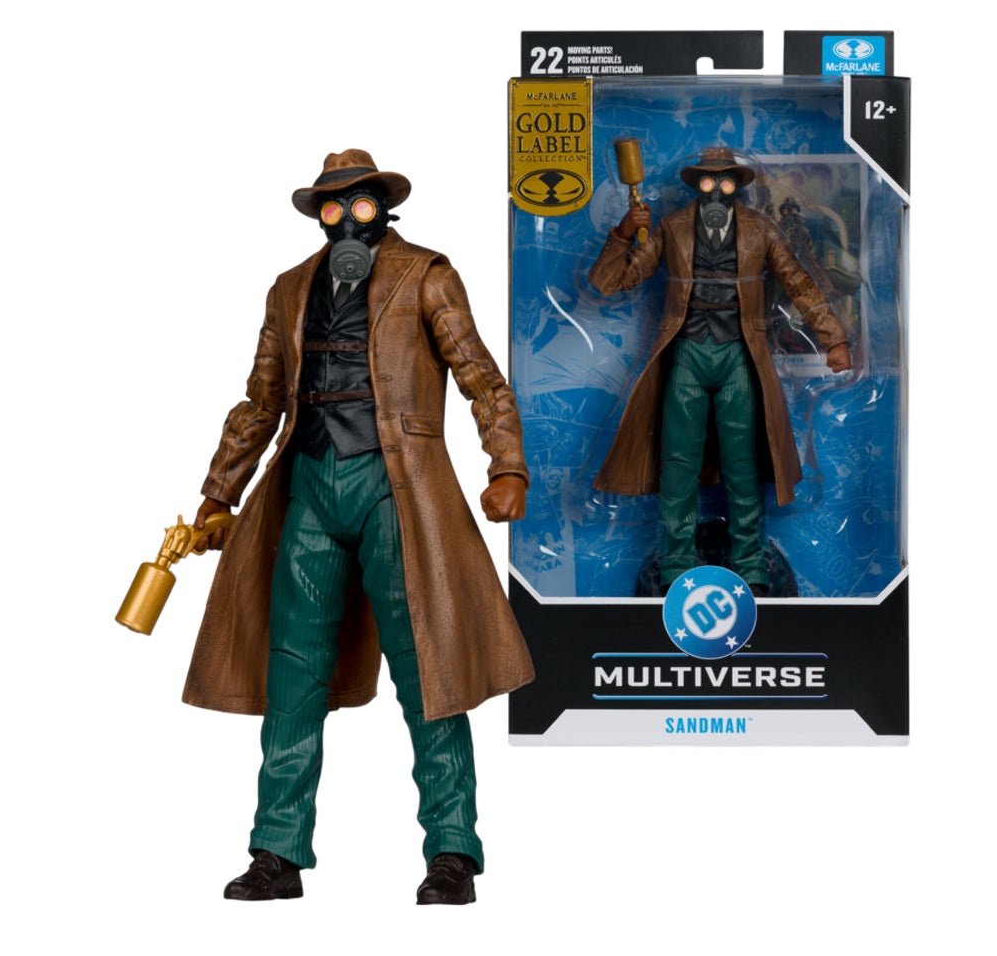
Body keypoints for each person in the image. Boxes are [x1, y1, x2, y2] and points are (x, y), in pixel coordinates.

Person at [182, 149, 534, 904]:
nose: (348, 221)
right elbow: (260, 401)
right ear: (319, 216)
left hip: (395, 487)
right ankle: (277, 852)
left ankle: (453, 851)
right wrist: (218, 493)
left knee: (430, 671)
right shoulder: (288, 289)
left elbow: (480, 378)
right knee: (292, 673)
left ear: (384, 209)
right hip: (309, 487)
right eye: (333, 208)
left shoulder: (427, 274)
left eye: (362, 206)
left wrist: (507, 465)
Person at [589, 146, 852, 593]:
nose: (715, 193)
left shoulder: (761, 229)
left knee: (743, 465)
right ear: (696, 185)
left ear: (738, 188)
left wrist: (835, 338)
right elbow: (610, 281)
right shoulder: (672, 227)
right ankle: (675, 567)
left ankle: (751, 566)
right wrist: (622, 233)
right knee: (677, 465)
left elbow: (799, 282)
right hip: (687, 353)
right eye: (708, 183)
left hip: (739, 355)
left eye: (725, 183)